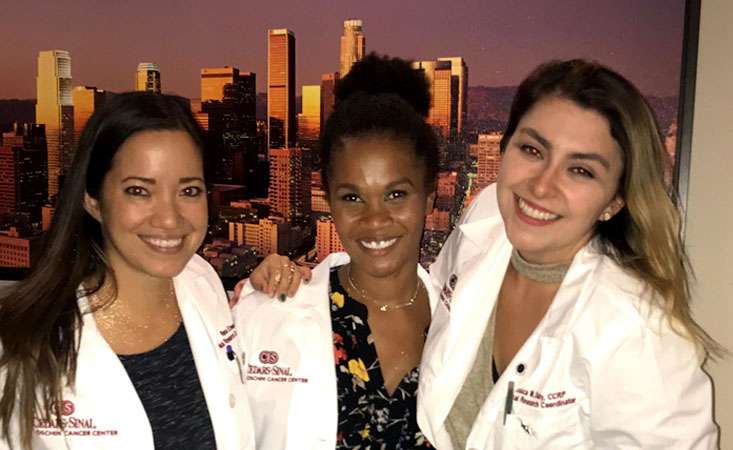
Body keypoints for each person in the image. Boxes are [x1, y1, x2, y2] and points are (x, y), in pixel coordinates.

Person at [417, 59, 719, 449]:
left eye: (580, 170)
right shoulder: (488, 213)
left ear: (615, 200)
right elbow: (426, 306)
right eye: (531, 149)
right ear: (504, 147)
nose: (541, 186)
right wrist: (316, 292)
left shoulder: (635, 330)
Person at [0, 92, 254, 450]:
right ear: (93, 199)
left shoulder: (204, 282)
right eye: (139, 191)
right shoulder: (21, 348)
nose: (169, 218)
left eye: (189, 190)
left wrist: (271, 290)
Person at [233, 54, 439, 449]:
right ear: (327, 200)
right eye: (352, 197)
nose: (375, 219)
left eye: (396, 194)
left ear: (429, 197)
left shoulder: (466, 318)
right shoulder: (270, 311)